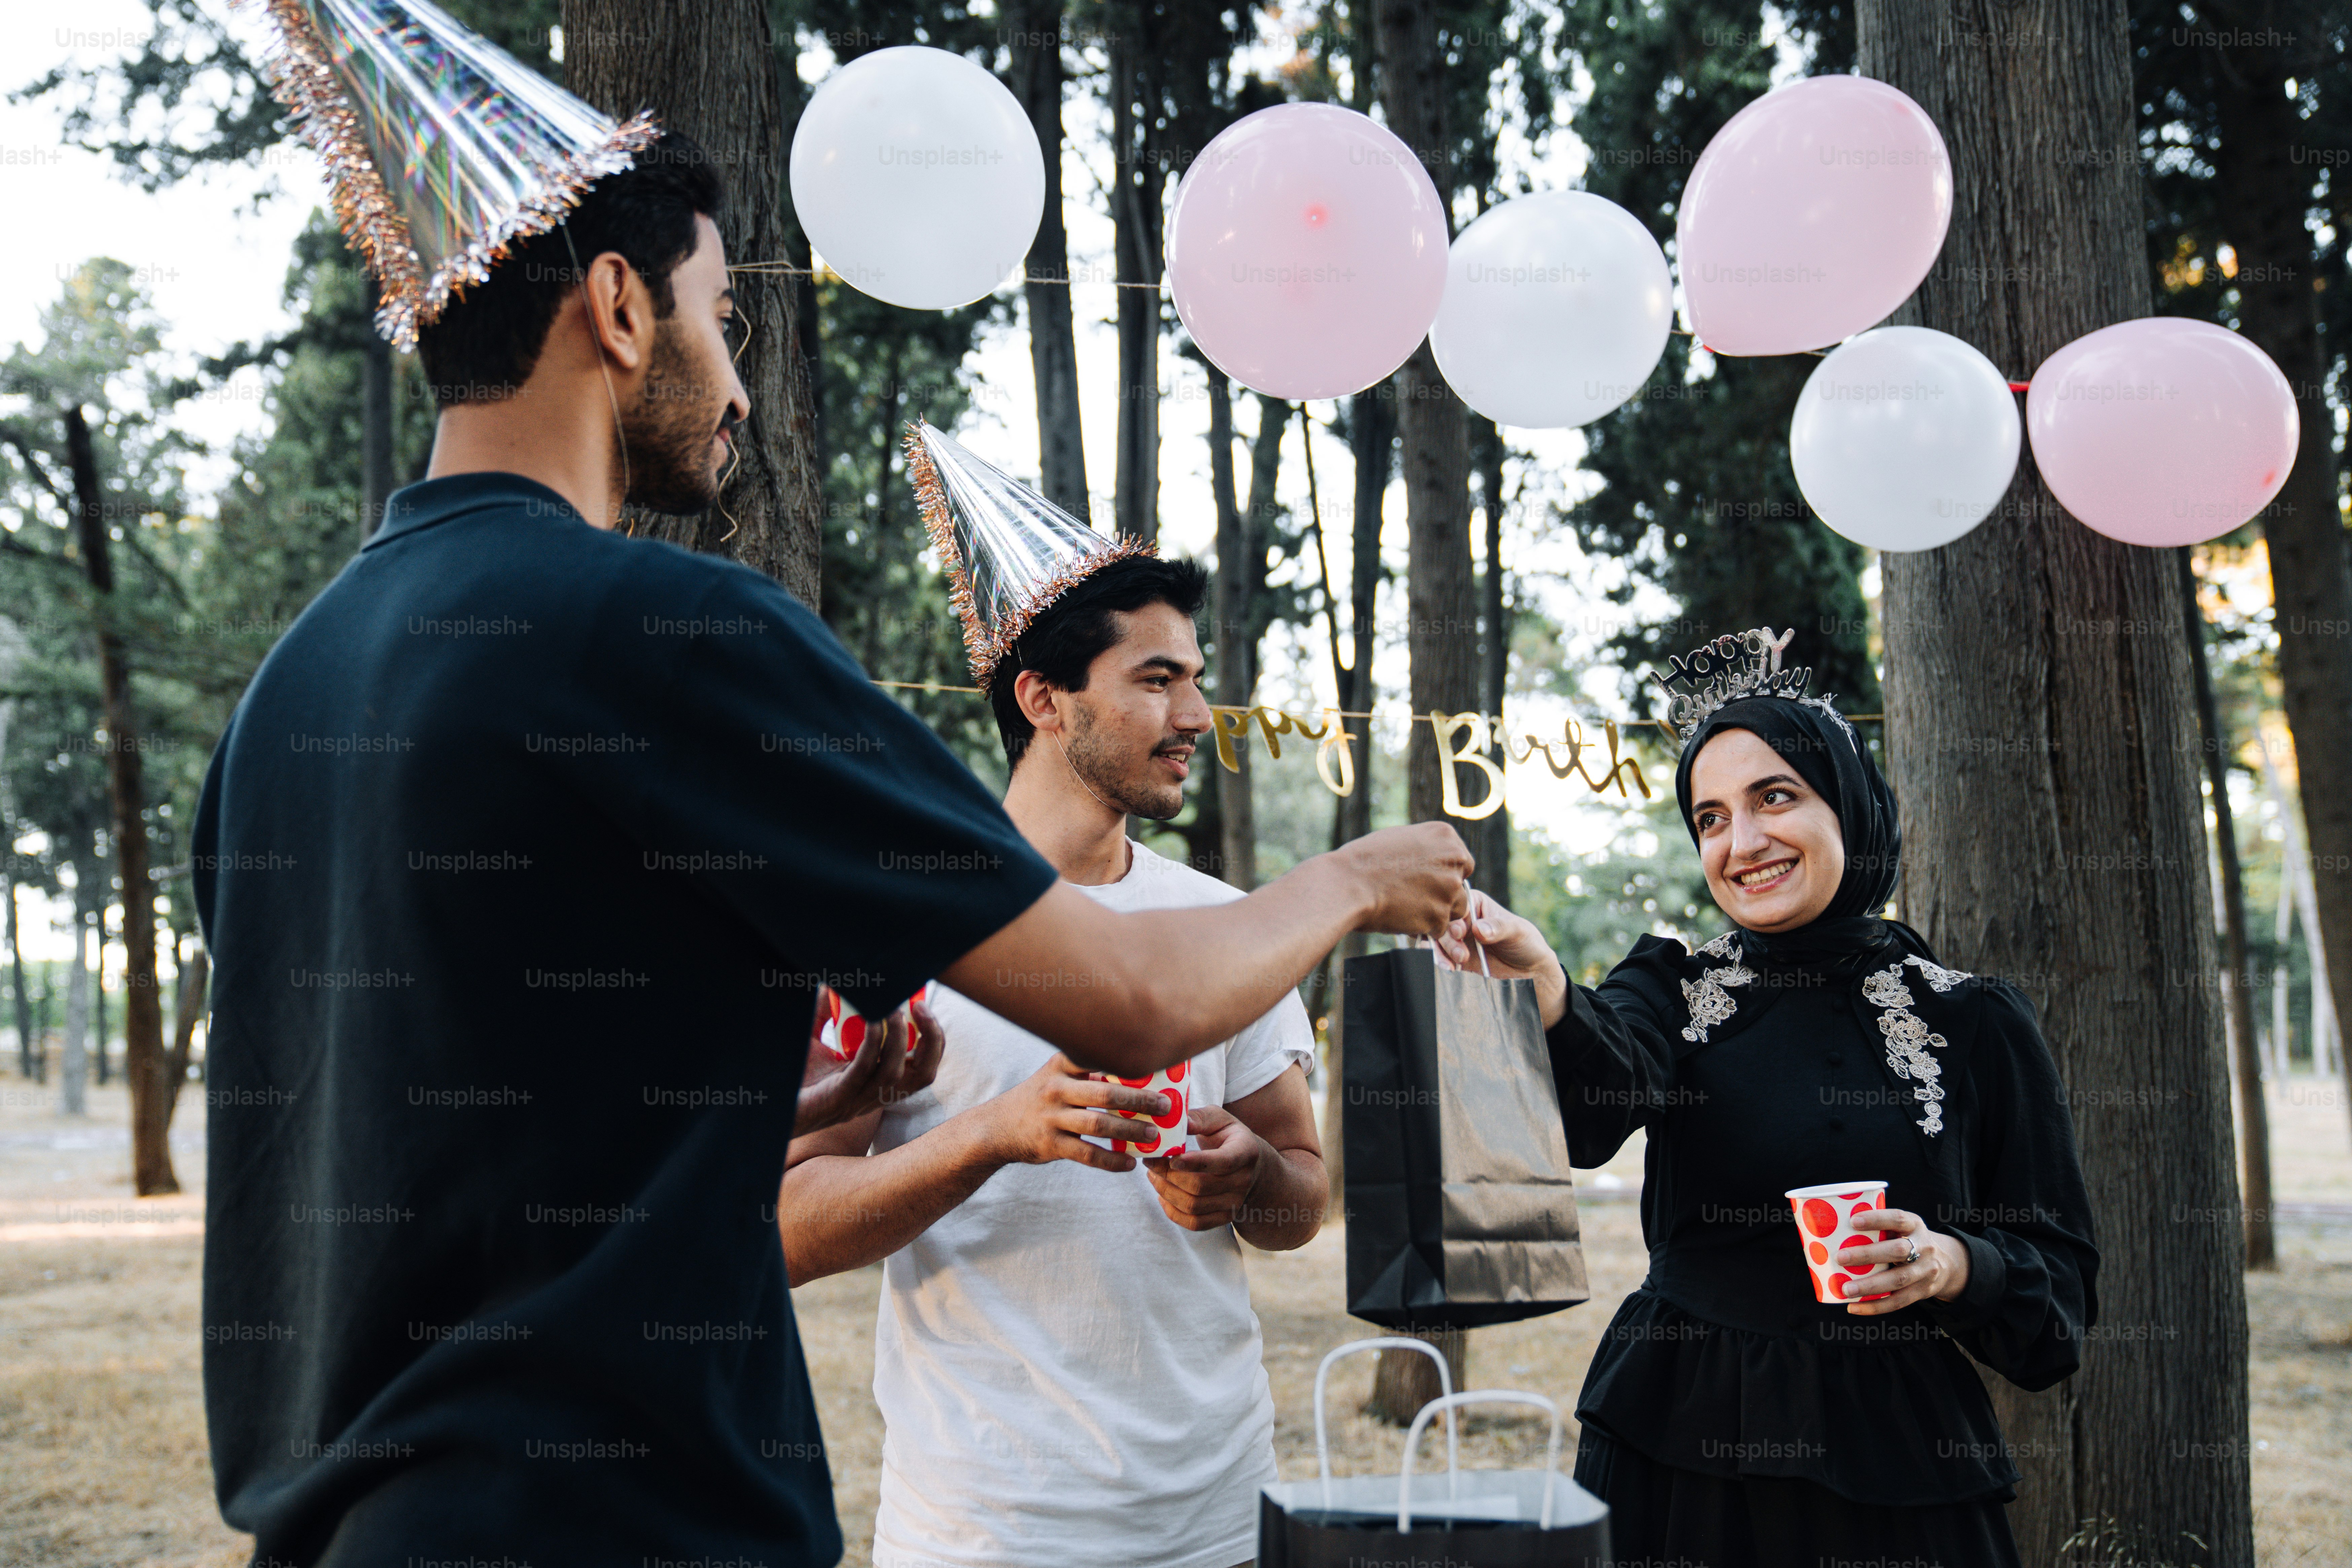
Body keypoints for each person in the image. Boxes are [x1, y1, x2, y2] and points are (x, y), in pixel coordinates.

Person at [196, 51, 1472, 1566]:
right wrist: (1359, 878)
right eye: (720, 318)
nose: (738, 385)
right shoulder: (667, 632)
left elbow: (458, 1131)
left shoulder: (286, 692)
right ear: (619, 307)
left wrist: (785, 1108)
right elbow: (1130, 999)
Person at [1431, 629, 2099, 1568]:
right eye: (1710, 817)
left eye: (1774, 797)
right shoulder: (1672, 986)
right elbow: (1596, 1107)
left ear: (1850, 804)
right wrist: (1544, 987)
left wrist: (1953, 1264)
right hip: (1679, 1450)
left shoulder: (1976, 1020)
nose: (1741, 843)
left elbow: (2058, 1298)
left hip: (1896, 1464)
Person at [781, 552, 1324, 1568]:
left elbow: (1302, 1202)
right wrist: (993, 1134)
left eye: (1195, 680)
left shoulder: (1225, 925)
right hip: (983, 1534)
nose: (1196, 716)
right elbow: (788, 1229)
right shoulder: (894, 924)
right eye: (1156, 680)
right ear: (1042, 699)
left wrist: (1252, 1174)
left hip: (1219, 1525)